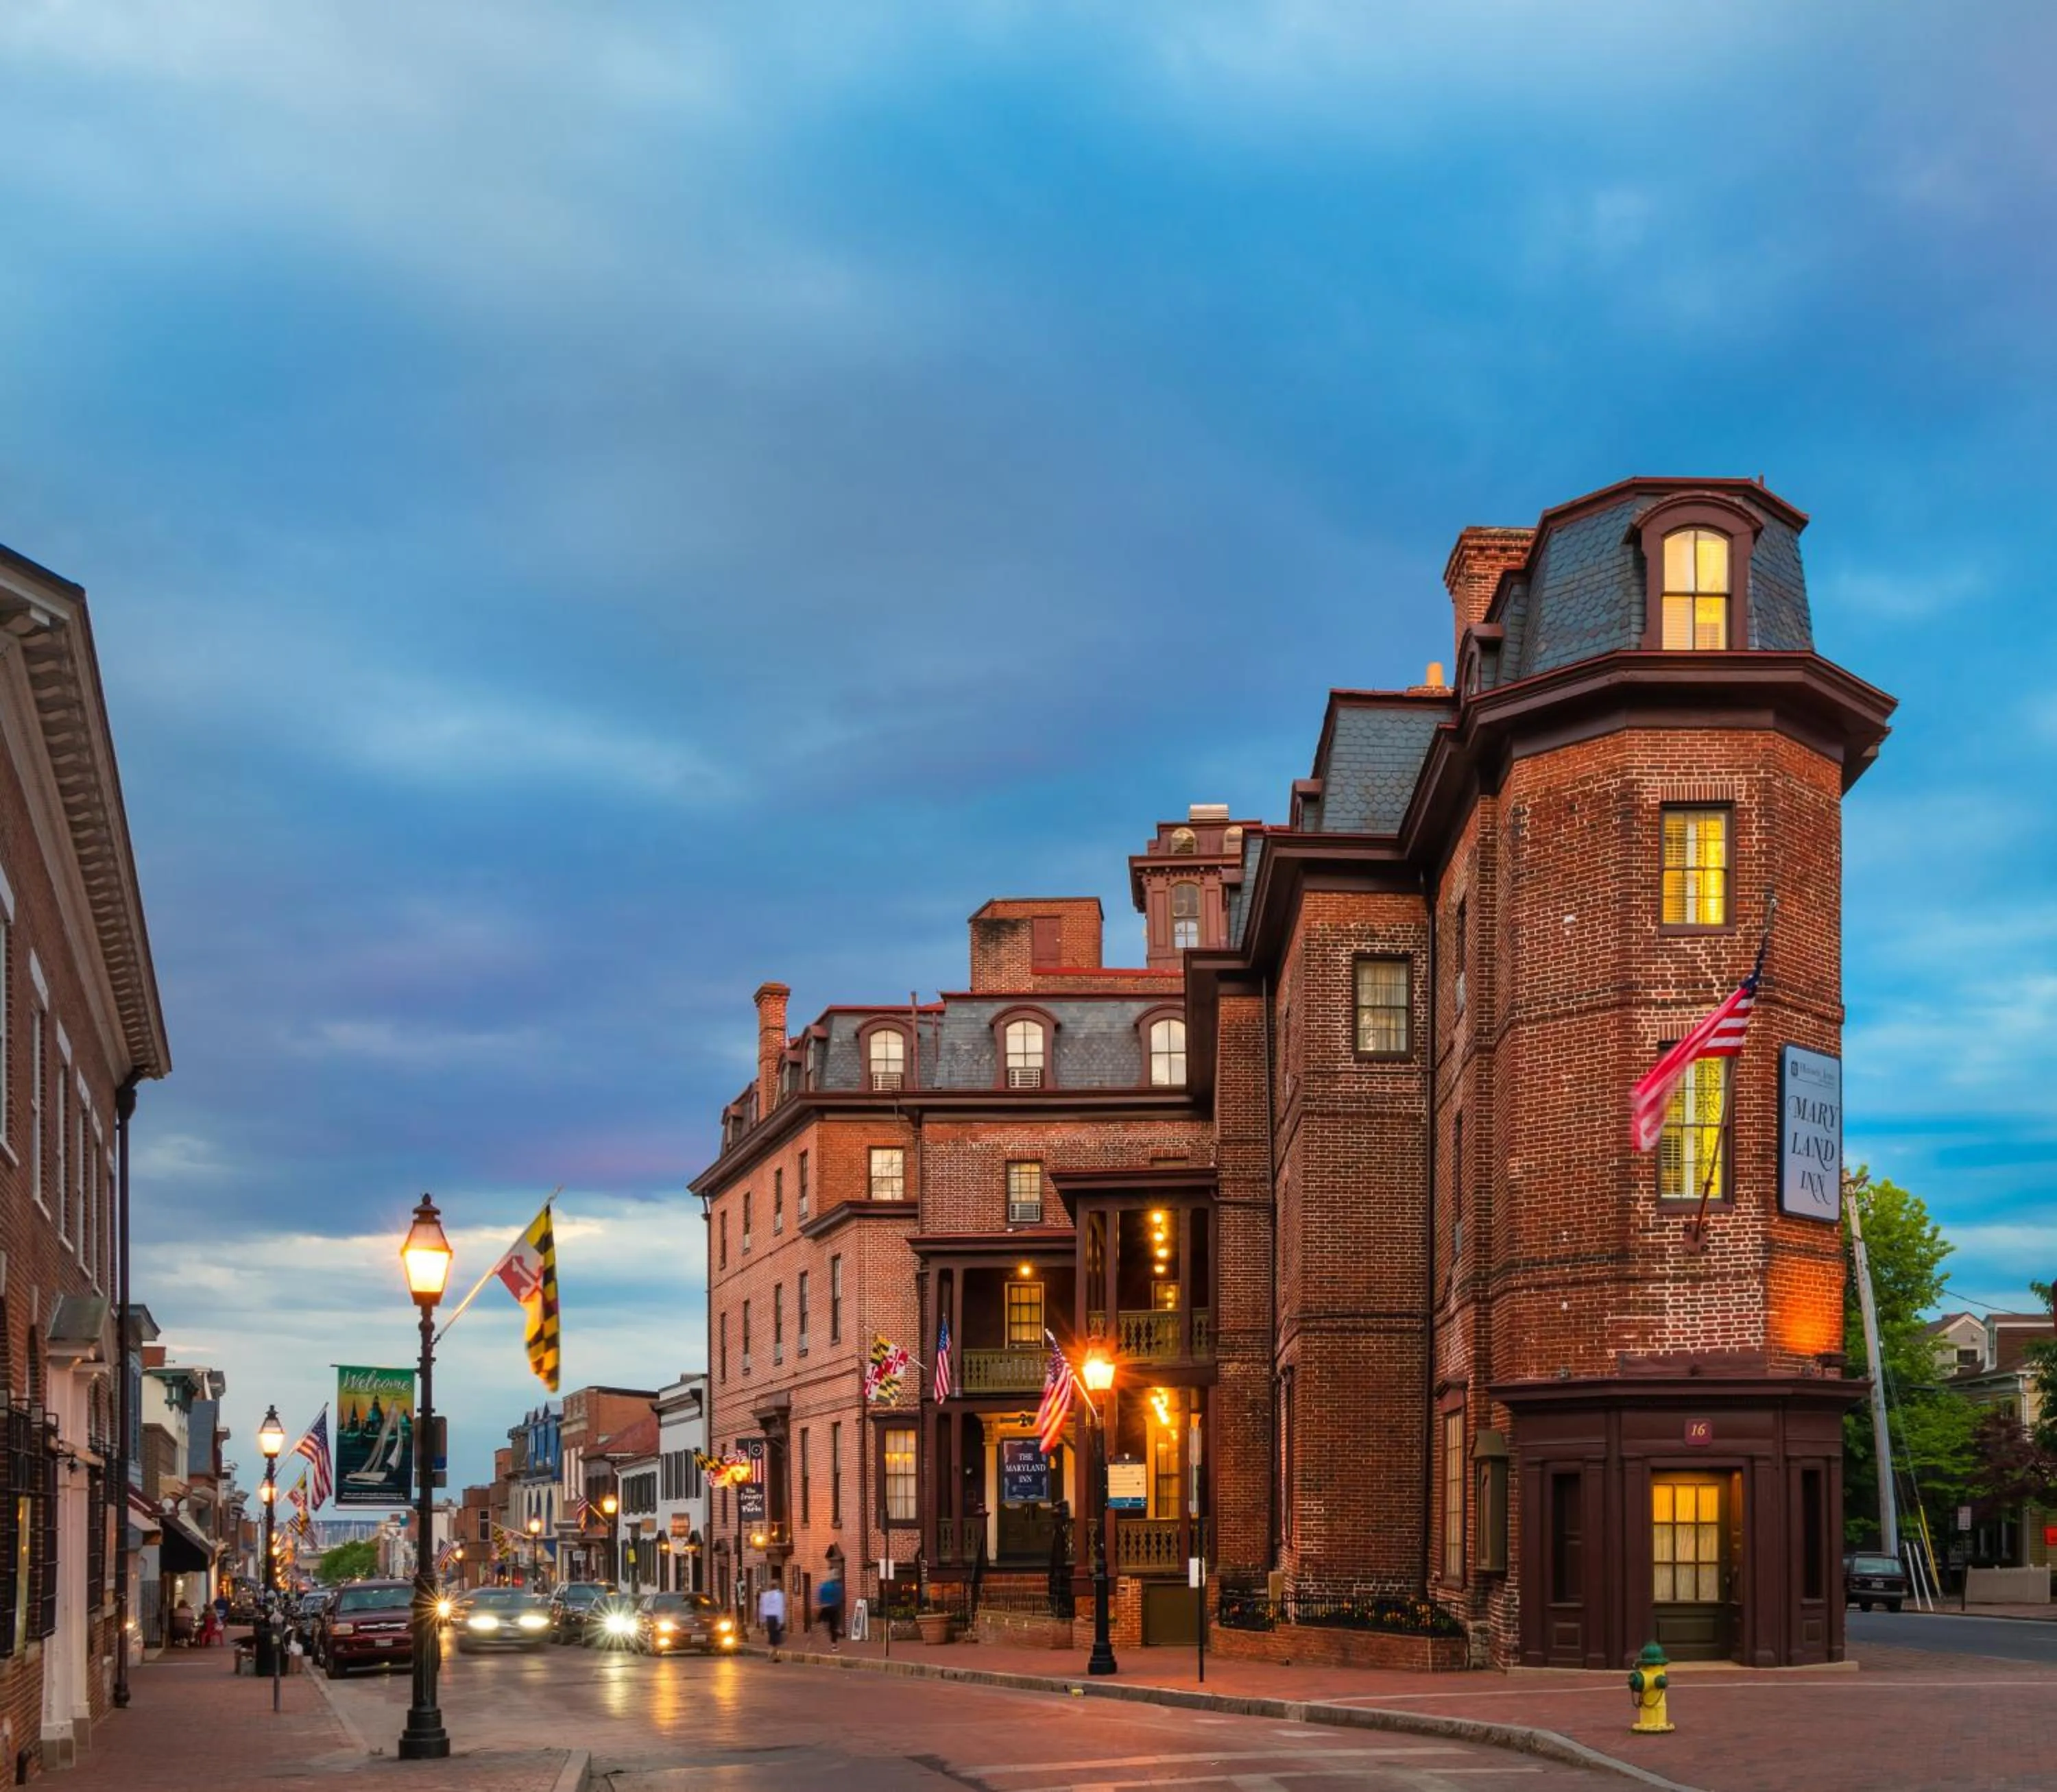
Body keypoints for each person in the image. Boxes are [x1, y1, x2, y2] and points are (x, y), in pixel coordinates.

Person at [758, 1578, 786, 1660]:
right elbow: (780, 1609)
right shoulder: (779, 1595)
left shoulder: (765, 1596)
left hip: (768, 1618)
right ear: (777, 1586)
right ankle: (772, 1655)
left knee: (772, 1637)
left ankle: (776, 1655)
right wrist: (781, 1621)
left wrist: (762, 1621)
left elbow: (762, 1608)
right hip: (776, 1618)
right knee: (776, 1638)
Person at [817, 1563, 843, 1651]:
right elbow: (839, 1597)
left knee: (825, 1622)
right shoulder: (837, 1586)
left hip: (824, 1607)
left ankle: (825, 1625)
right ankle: (834, 1645)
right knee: (834, 1625)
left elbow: (820, 1596)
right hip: (833, 1607)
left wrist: (821, 1603)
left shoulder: (823, 1585)